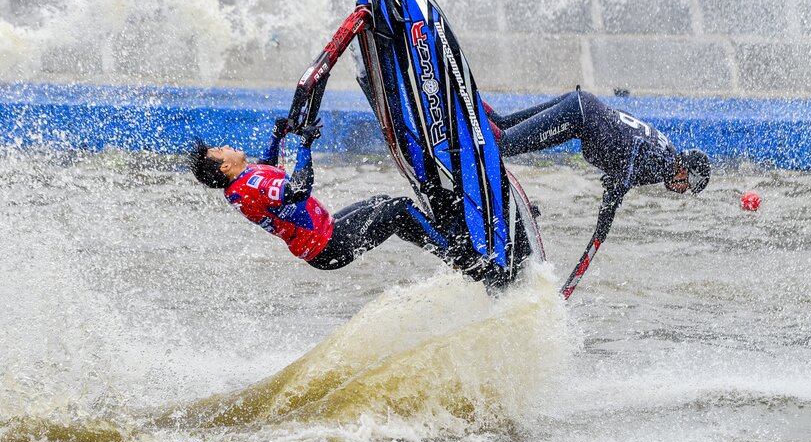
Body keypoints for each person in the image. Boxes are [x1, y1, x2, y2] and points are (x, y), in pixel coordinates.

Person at [480, 87, 711, 293]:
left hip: (583, 104)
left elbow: (627, 138)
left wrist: (614, 187)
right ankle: (468, 118)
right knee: (504, 144)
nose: (683, 190)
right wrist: (614, 197)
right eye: (688, 184)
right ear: (685, 170)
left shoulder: (666, 150)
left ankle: (472, 101)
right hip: (580, 117)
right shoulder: (665, 164)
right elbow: (633, 154)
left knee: (503, 124)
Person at [189, 118, 455, 272]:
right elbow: (299, 190)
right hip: (328, 246)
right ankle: (461, 260)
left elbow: (266, 170)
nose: (225, 146)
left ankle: (441, 232)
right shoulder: (249, 187)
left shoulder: (241, 184)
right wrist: (305, 145)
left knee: (382, 202)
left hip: (326, 234)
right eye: (220, 150)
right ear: (225, 167)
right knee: (399, 210)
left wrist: (277, 136)